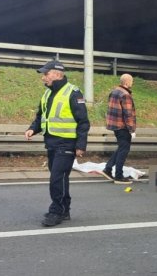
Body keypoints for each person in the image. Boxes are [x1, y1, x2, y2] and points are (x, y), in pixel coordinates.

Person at [25, 60, 90, 227]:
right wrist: (33, 129)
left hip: (66, 144)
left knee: (56, 179)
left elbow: (83, 122)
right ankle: (64, 209)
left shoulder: (73, 93)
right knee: (61, 179)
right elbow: (41, 116)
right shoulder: (47, 94)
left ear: (57, 74)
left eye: (45, 74)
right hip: (52, 143)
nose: (43, 78)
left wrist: (80, 145)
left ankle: (56, 212)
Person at [102, 73, 136, 185]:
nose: (132, 83)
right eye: (131, 81)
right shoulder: (125, 95)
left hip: (115, 125)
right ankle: (118, 175)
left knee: (121, 148)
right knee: (124, 150)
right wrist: (132, 130)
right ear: (126, 82)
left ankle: (108, 169)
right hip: (123, 126)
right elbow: (128, 114)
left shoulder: (114, 91)